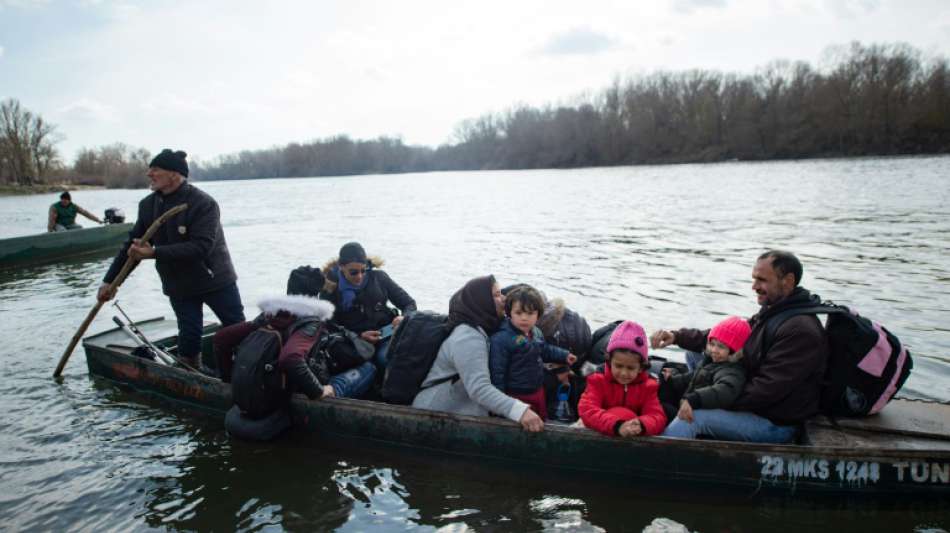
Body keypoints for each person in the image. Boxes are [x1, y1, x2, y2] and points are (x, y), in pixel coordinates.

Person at [649, 250, 828, 443]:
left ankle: (655, 458)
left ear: (788, 280)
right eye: (754, 279)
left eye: (762, 280)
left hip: (773, 421)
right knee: (695, 354)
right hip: (747, 391)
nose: (754, 286)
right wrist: (676, 337)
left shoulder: (800, 331)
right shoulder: (774, 311)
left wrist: (704, 398)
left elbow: (765, 391)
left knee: (693, 418)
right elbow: (725, 337)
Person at [97, 149, 245, 370]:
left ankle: (248, 369)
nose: (149, 174)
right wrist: (110, 282)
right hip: (179, 284)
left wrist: (155, 253)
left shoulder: (203, 203)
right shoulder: (148, 205)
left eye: (155, 169)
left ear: (175, 174)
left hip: (215, 280)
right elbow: (133, 247)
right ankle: (192, 373)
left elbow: (201, 247)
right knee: (189, 333)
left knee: (237, 328)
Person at [213, 267, 376, 399]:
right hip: (295, 391)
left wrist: (229, 379)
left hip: (268, 382)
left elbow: (221, 339)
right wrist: (319, 391)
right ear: (316, 295)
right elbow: (290, 358)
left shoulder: (268, 315)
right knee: (369, 368)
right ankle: (334, 393)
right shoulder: (309, 322)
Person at [411, 275, 545, 432]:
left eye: (500, 293)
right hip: (434, 414)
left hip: (462, 407)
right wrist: (521, 411)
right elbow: (479, 389)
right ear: (482, 301)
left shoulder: (488, 325)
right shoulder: (468, 337)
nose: (503, 299)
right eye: (496, 295)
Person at [320, 241, 416, 370]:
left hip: (386, 335)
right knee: (379, 360)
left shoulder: (379, 277)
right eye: (353, 272)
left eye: (363, 270)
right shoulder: (329, 289)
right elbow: (329, 325)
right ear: (341, 266)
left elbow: (409, 304)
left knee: (389, 357)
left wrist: (404, 318)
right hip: (353, 341)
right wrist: (359, 336)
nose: (359, 276)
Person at [489, 285, 576, 420]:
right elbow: (497, 373)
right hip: (515, 395)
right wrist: (499, 406)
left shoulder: (535, 332)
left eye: (530, 313)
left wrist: (564, 355)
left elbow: (544, 349)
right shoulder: (501, 339)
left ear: (538, 315)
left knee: (539, 421)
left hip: (537, 390)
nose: (524, 318)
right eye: (518, 313)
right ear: (509, 313)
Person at [659, 316, 750, 438]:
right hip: (687, 403)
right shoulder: (711, 361)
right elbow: (693, 377)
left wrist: (694, 399)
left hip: (698, 411)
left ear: (734, 351)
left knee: (664, 410)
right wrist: (671, 380)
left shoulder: (732, 371)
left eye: (721, 347)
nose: (714, 350)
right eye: (712, 344)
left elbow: (723, 391)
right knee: (659, 399)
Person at [577, 320, 667, 437]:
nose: (624, 373)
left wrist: (642, 424)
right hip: (601, 433)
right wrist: (617, 425)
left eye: (630, 368)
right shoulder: (597, 380)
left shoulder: (648, 387)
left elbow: (658, 416)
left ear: (640, 368)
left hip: (632, 436)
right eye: (619, 366)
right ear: (609, 361)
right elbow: (587, 409)